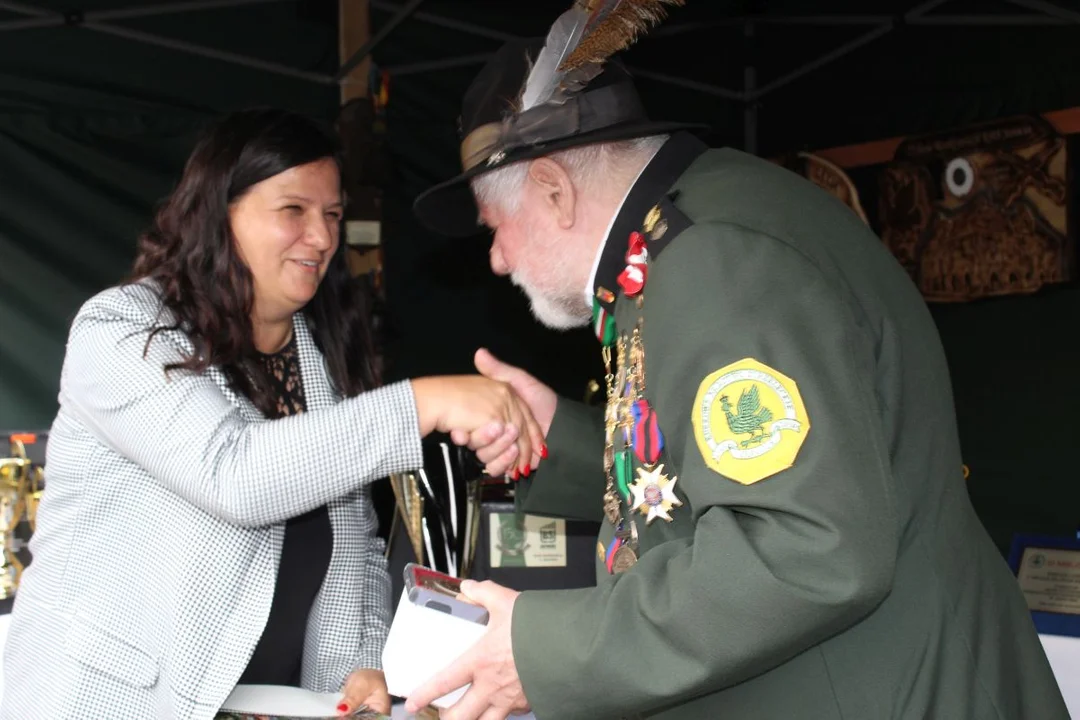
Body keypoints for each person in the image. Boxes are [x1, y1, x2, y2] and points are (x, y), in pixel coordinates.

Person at [401, 16, 1070, 720]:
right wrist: (556, 438)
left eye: (493, 228)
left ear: (553, 190)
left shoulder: (713, 260)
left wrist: (542, 652)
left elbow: (805, 545)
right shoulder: (698, 225)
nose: (498, 259)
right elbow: (720, 465)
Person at [0, 108, 543, 720]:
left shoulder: (322, 357)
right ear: (218, 213)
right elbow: (233, 474)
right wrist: (421, 402)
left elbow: (356, 545)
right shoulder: (122, 329)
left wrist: (359, 667)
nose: (321, 237)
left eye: (333, 215)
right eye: (294, 210)